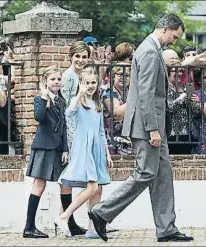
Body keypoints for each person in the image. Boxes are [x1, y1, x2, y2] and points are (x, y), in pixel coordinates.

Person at [88, 13, 193, 243]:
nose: (174, 41)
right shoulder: (148, 51)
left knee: (163, 176)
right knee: (145, 173)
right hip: (148, 127)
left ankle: (166, 228)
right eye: (174, 36)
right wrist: (152, 129)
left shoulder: (150, 49)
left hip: (155, 125)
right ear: (166, 29)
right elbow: (145, 94)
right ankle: (102, 212)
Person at [55, 68, 113, 238]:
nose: (90, 86)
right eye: (86, 83)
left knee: (98, 189)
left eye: (93, 82)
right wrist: (79, 94)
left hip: (97, 149)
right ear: (81, 83)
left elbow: (101, 131)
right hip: (84, 147)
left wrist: (107, 153)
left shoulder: (98, 104)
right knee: (92, 186)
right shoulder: (78, 102)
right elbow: (69, 113)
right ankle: (64, 216)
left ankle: (92, 228)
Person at [23, 66, 69, 238]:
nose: (56, 82)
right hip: (43, 147)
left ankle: (68, 223)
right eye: (52, 79)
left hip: (58, 149)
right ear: (45, 82)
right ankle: (29, 227)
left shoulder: (61, 101)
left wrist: (65, 149)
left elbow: (64, 127)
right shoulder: (40, 99)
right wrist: (43, 96)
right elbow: (39, 117)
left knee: (66, 183)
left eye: (58, 79)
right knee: (39, 185)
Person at [58, 41, 90, 236]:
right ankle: (68, 221)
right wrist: (70, 139)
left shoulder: (82, 76)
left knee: (70, 177)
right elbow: (67, 108)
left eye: (84, 57)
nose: (80, 60)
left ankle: (67, 219)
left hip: (80, 127)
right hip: (70, 131)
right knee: (67, 178)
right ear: (71, 56)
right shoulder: (69, 77)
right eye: (77, 56)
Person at [102, 64, 132, 155]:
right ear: (113, 76)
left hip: (126, 138)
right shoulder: (107, 91)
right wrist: (134, 99)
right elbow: (117, 114)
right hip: (110, 139)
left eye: (126, 75)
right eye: (120, 74)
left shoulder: (129, 91)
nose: (123, 78)